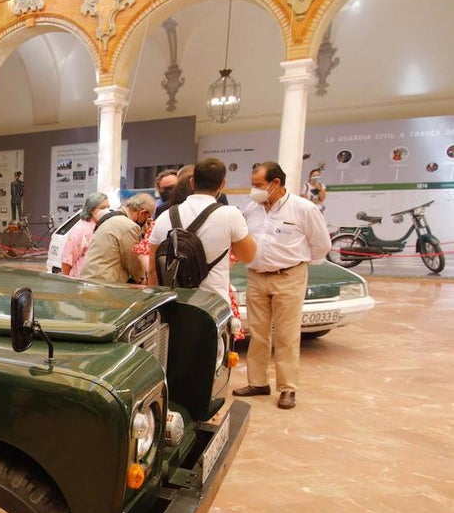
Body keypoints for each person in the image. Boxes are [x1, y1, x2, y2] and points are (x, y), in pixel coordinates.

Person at [234, 161, 331, 410]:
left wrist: (299, 265)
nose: (253, 190)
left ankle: (287, 388)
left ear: (275, 183)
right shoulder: (252, 208)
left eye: (258, 185)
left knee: (287, 335)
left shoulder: (303, 209)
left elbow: (321, 244)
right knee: (257, 334)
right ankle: (258, 383)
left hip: (289, 277)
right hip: (256, 276)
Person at [147, 157, 257, 304]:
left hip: (174, 305)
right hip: (213, 304)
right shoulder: (230, 215)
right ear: (222, 184)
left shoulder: (165, 217)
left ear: (192, 182)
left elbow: (153, 270)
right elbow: (248, 256)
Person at [78, 192, 155, 284]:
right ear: (142, 213)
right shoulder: (129, 226)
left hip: (90, 281)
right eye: (148, 217)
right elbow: (135, 266)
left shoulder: (112, 218)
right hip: (107, 286)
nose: (148, 221)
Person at [60, 192, 108, 277]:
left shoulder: (102, 227)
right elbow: (68, 259)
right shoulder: (81, 229)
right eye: (103, 208)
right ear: (92, 210)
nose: (106, 211)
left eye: (108, 207)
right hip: (80, 281)